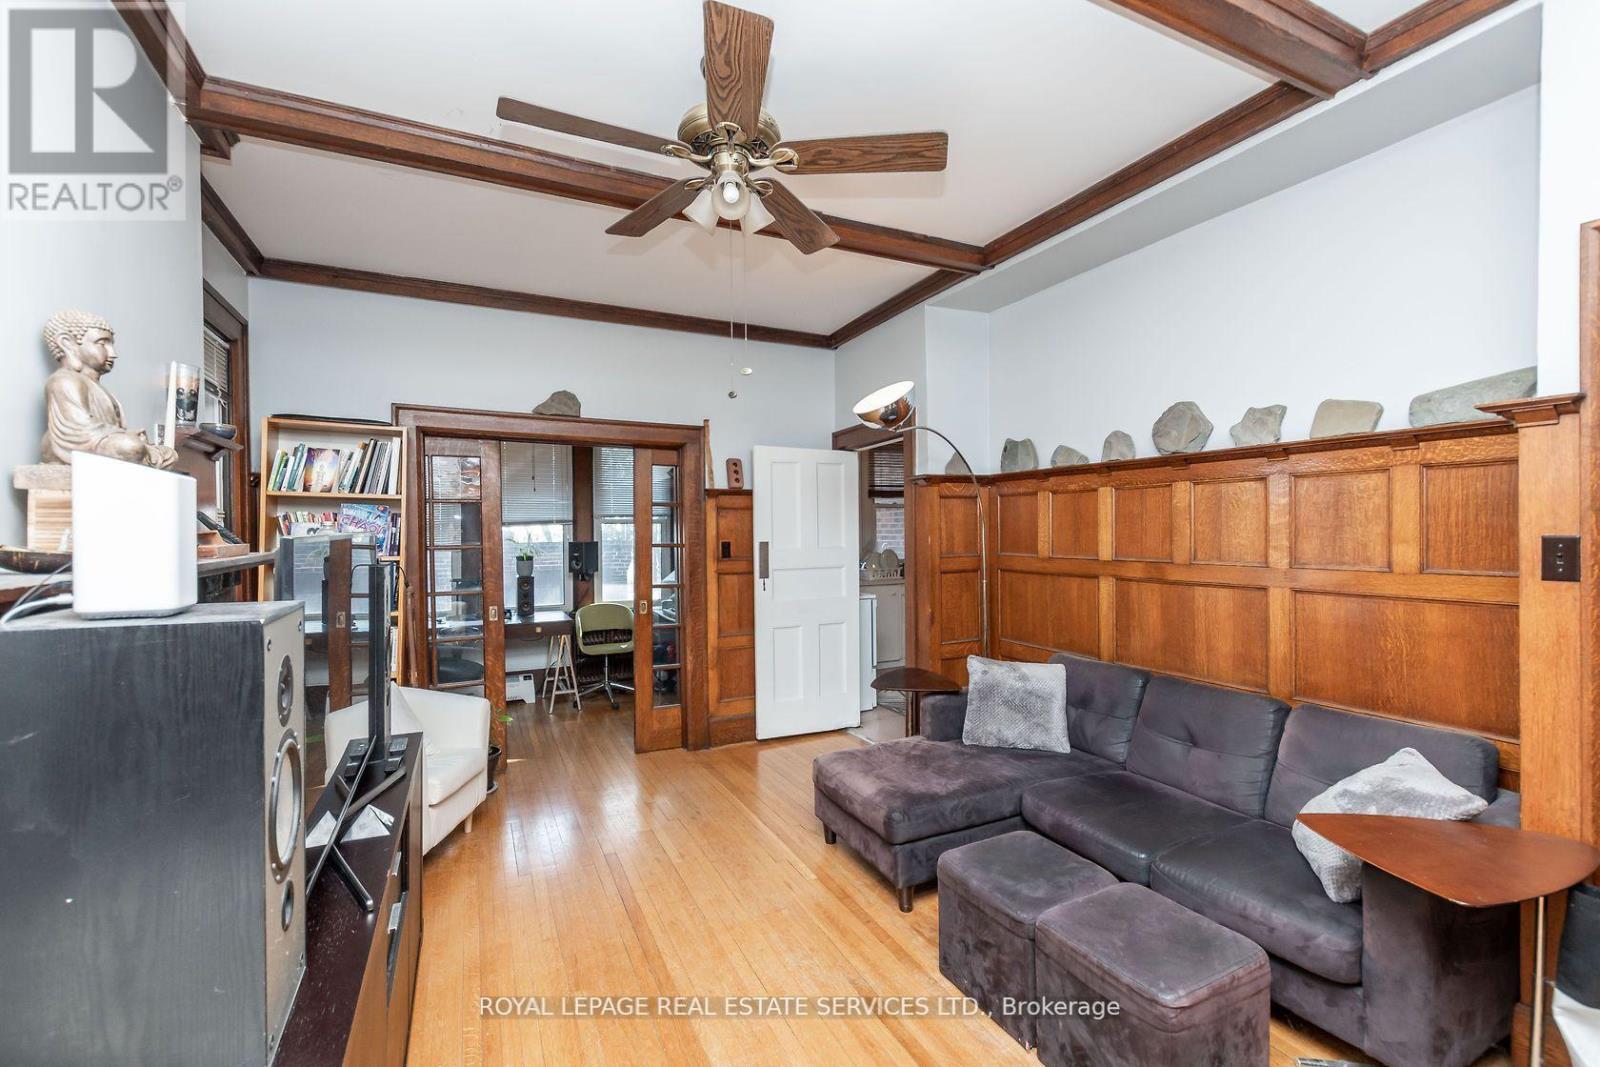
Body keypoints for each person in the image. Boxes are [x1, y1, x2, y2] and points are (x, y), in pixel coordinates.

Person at [40, 309, 177, 468]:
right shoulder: (63, 381)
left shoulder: (102, 390)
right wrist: (126, 437)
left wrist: (126, 436)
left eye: (111, 345)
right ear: (67, 343)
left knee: (170, 454)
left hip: (104, 440)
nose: (113, 353)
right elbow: (78, 428)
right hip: (76, 444)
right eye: (102, 343)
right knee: (130, 447)